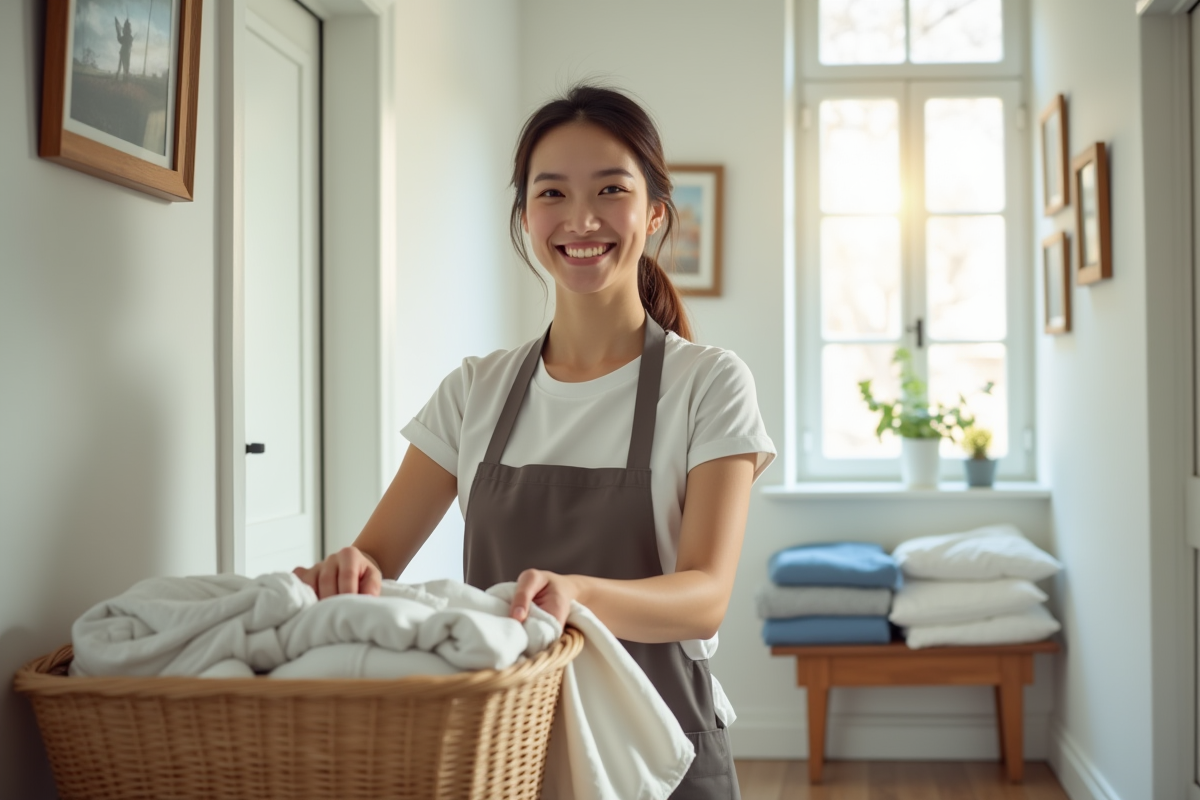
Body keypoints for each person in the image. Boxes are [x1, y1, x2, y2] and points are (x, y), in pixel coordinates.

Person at [294, 84, 775, 799]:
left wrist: (577, 592)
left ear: (653, 214)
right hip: (507, 748)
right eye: (552, 193)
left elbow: (704, 596)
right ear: (525, 218)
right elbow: (378, 556)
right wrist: (347, 572)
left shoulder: (708, 383)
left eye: (611, 188)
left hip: (661, 747)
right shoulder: (475, 389)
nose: (581, 218)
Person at [114, 17, 135, 81]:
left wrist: (118, 32)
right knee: (125, 66)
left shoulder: (128, 36)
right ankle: (123, 78)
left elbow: (120, 40)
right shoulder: (130, 37)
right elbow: (121, 40)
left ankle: (121, 77)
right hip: (126, 52)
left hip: (124, 52)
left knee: (123, 66)